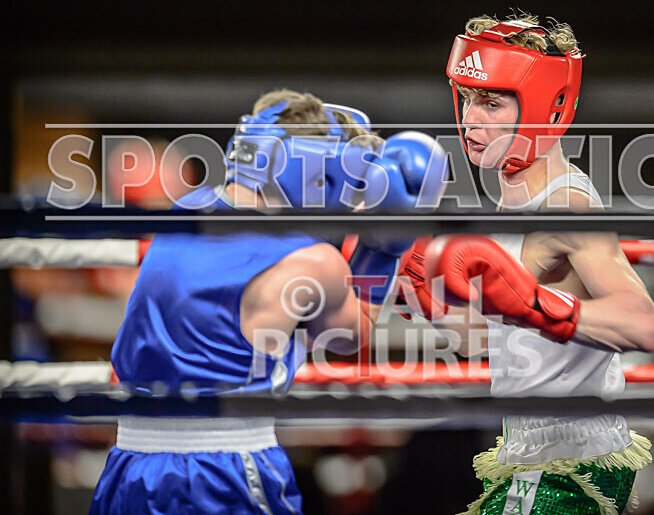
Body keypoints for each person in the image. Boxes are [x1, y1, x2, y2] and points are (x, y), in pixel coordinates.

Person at [90, 89, 448, 514]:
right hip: (225, 467)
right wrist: (383, 248)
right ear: (318, 173)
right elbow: (351, 337)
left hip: (130, 463)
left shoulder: (185, 209)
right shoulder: (314, 263)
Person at [397, 14, 654, 515]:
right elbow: (490, 341)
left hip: (572, 457)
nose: (471, 118)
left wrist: (532, 303)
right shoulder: (511, 206)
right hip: (531, 445)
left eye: (491, 102)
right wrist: (423, 297)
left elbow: (642, 324)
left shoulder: (566, 207)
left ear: (545, 106)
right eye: (467, 96)